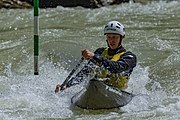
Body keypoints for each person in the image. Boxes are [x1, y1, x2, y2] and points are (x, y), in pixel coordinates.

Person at [55, 21, 137, 93]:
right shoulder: (100, 52)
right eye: (109, 37)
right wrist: (66, 86)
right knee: (93, 81)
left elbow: (117, 68)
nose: (112, 40)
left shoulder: (129, 57)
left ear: (121, 38)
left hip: (117, 92)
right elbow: (84, 73)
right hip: (98, 87)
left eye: (115, 37)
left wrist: (94, 56)